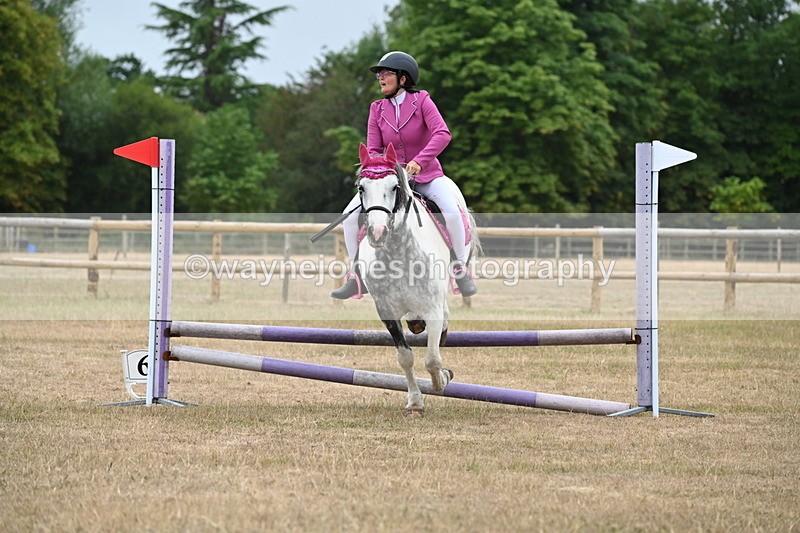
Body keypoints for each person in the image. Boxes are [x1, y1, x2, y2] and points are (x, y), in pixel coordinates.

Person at [331, 51, 477, 299]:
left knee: (452, 212)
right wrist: (382, 171)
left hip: (427, 175)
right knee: (349, 216)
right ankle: (356, 275)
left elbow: (442, 133)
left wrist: (419, 161)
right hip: (390, 181)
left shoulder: (422, 101)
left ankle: (460, 269)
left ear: (403, 78)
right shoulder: (376, 109)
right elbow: (374, 149)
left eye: (386, 72)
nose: (380, 77)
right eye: (379, 73)